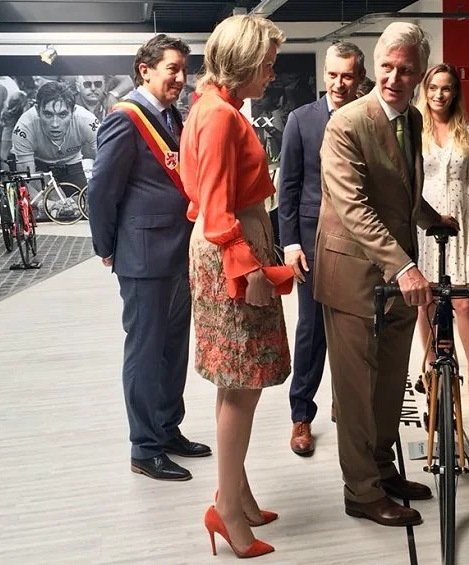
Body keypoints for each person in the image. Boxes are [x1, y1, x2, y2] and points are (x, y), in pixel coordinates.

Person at [314, 22, 459, 527]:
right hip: (354, 274)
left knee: (390, 384)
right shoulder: (346, 123)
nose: (395, 78)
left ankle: (381, 469)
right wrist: (406, 266)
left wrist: (431, 218)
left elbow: (397, 190)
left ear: (420, 74)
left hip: (397, 275)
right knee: (355, 390)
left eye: (406, 70)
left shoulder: (414, 120)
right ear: (376, 65)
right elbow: (353, 207)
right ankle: (361, 492)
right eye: (387, 68)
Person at [180, 14, 293, 558]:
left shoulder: (209, 107)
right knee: (243, 385)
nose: (271, 73)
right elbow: (220, 211)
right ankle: (226, 509)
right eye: (267, 64)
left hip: (226, 243)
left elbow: (198, 197)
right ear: (245, 60)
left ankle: (237, 492)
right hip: (233, 249)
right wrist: (247, 270)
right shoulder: (221, 115)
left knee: (236, 382)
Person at [87, 34, 211, 482]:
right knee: (144, 351)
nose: (180, 77)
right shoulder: (125, 119)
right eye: (171, 69)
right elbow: (101, 190)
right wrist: (105, 246)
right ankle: (144, 447)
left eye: (183, 69)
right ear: (146, 70)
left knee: (172, 350)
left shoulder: (171, 115)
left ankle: (166, 428)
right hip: (142, 257)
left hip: (176, 253)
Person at [278, 41, 365, 457]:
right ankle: (301, 415)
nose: (339, 83)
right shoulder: (301, 120)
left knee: (352, 328)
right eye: (332, 74)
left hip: (358, 241)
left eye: (347, 75)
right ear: (324, 74)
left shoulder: (369, 118)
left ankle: (344, 403)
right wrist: (290, 243)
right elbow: (289, 188)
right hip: (311, 241)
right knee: (311, 330)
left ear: (359, 77)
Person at [414, 64, 469, 406]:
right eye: (433, 88)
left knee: (463, 304)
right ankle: (431, 367)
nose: (439, 95)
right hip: (423, 222)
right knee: (425, 302)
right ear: (425, 91)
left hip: (458, 222)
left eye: (446, 88)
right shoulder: (415, 128)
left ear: (455, 91)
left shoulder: (467, 130)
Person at [11, 81, 99, 188]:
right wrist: (43, 203)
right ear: (38, 110)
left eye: (62, 114)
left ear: (73, 112)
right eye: (48, 114)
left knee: (81, 200)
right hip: (38, 163)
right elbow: (25, 182)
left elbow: (108, 163)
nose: (55, 124)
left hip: (71, 162)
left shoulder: (87, 121)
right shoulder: (24, 127)